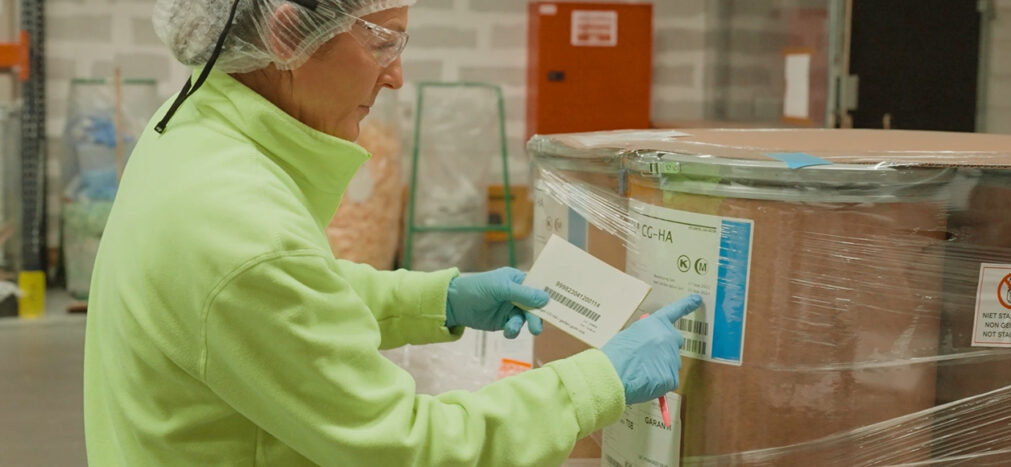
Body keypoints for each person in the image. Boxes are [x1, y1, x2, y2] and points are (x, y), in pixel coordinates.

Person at [82, 0, 702, 465]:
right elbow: (411, 448)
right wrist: (601, 382)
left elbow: (286, 297)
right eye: (381, 43)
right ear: (286, 34)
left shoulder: (189, 127)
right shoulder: (240, 226)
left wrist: (436, 299)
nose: (396, 75)